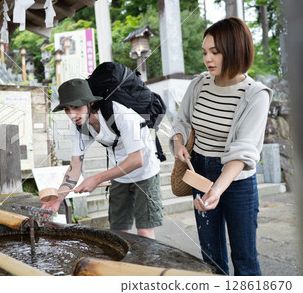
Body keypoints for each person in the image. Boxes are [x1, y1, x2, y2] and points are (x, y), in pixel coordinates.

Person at [170, 17, 272, 275]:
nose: (208, 59)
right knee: (210, 257)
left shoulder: (255, 94)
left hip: (237, 179)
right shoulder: (199, 84)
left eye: (215, 52)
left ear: (236, 50)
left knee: (245, 259)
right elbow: (181, 121)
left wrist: (217, 190)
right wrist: (179, 143)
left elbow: (244, 151)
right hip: (200, 169)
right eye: (205, 52)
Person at [42, 78, 163, 239]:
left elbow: (136, 160)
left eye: (76, 107)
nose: (72, 115)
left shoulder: (121, 113)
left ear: (90, 103)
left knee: (144, 231)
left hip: (145, 172)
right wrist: (58, 198)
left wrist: (97, 179)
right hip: (119, 174)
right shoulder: (79, 126)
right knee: (118, 231)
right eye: (67, 109)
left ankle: (148, 263)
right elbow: (75, 167)